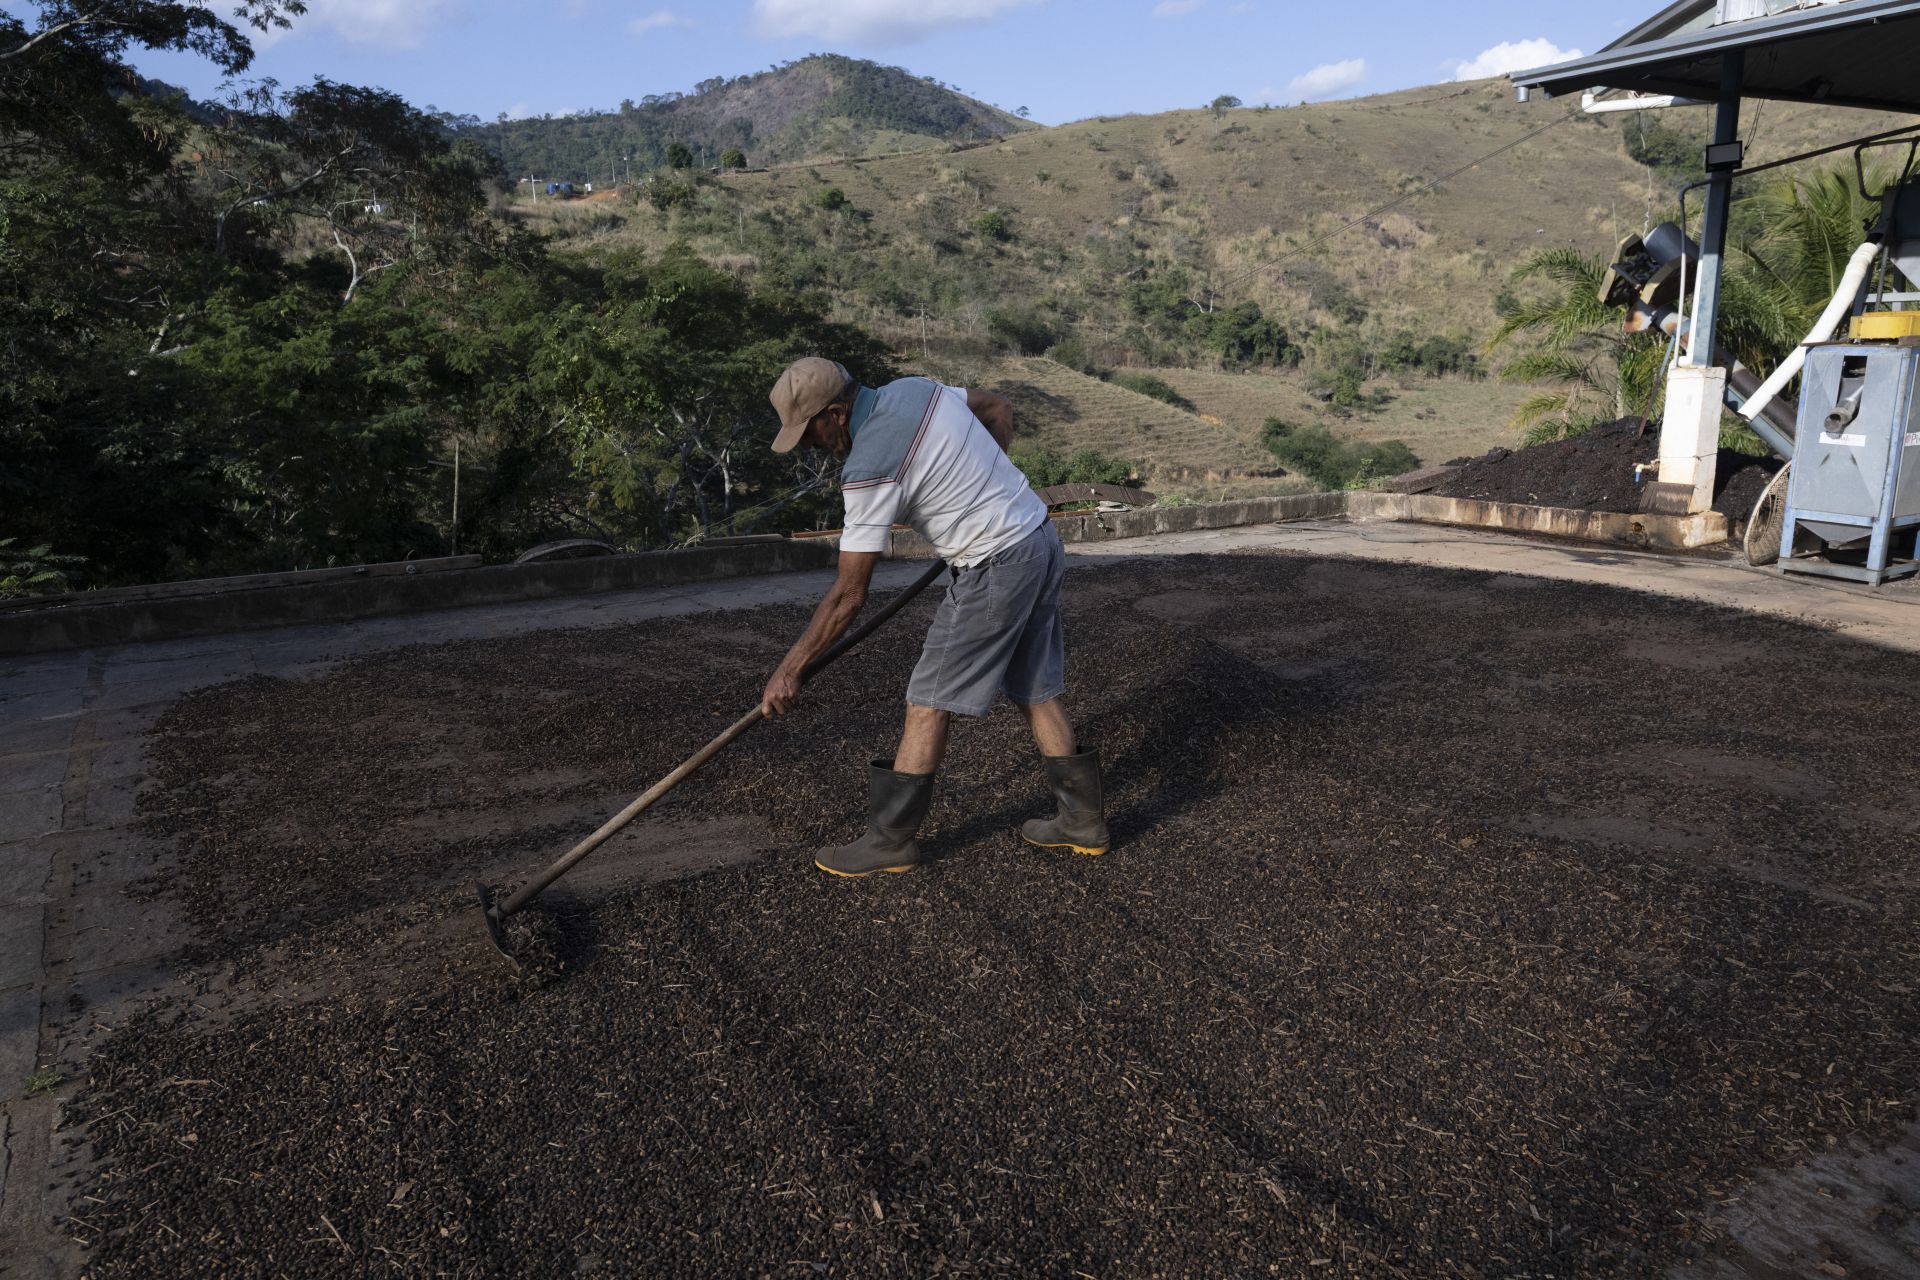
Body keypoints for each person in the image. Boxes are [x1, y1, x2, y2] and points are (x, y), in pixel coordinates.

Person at [760, 357, 1109, 877]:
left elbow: (849, 595)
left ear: (836, 413)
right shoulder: (916, 390)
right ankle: (1082, 822)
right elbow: (997, 409)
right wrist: (985, 493)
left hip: (996, 563)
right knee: (1033, 687)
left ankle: (890, 840)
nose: (808, 445)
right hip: (1036, 536)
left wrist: (789, 668)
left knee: (927, 699)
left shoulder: (869, 466)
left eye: (808, 431)